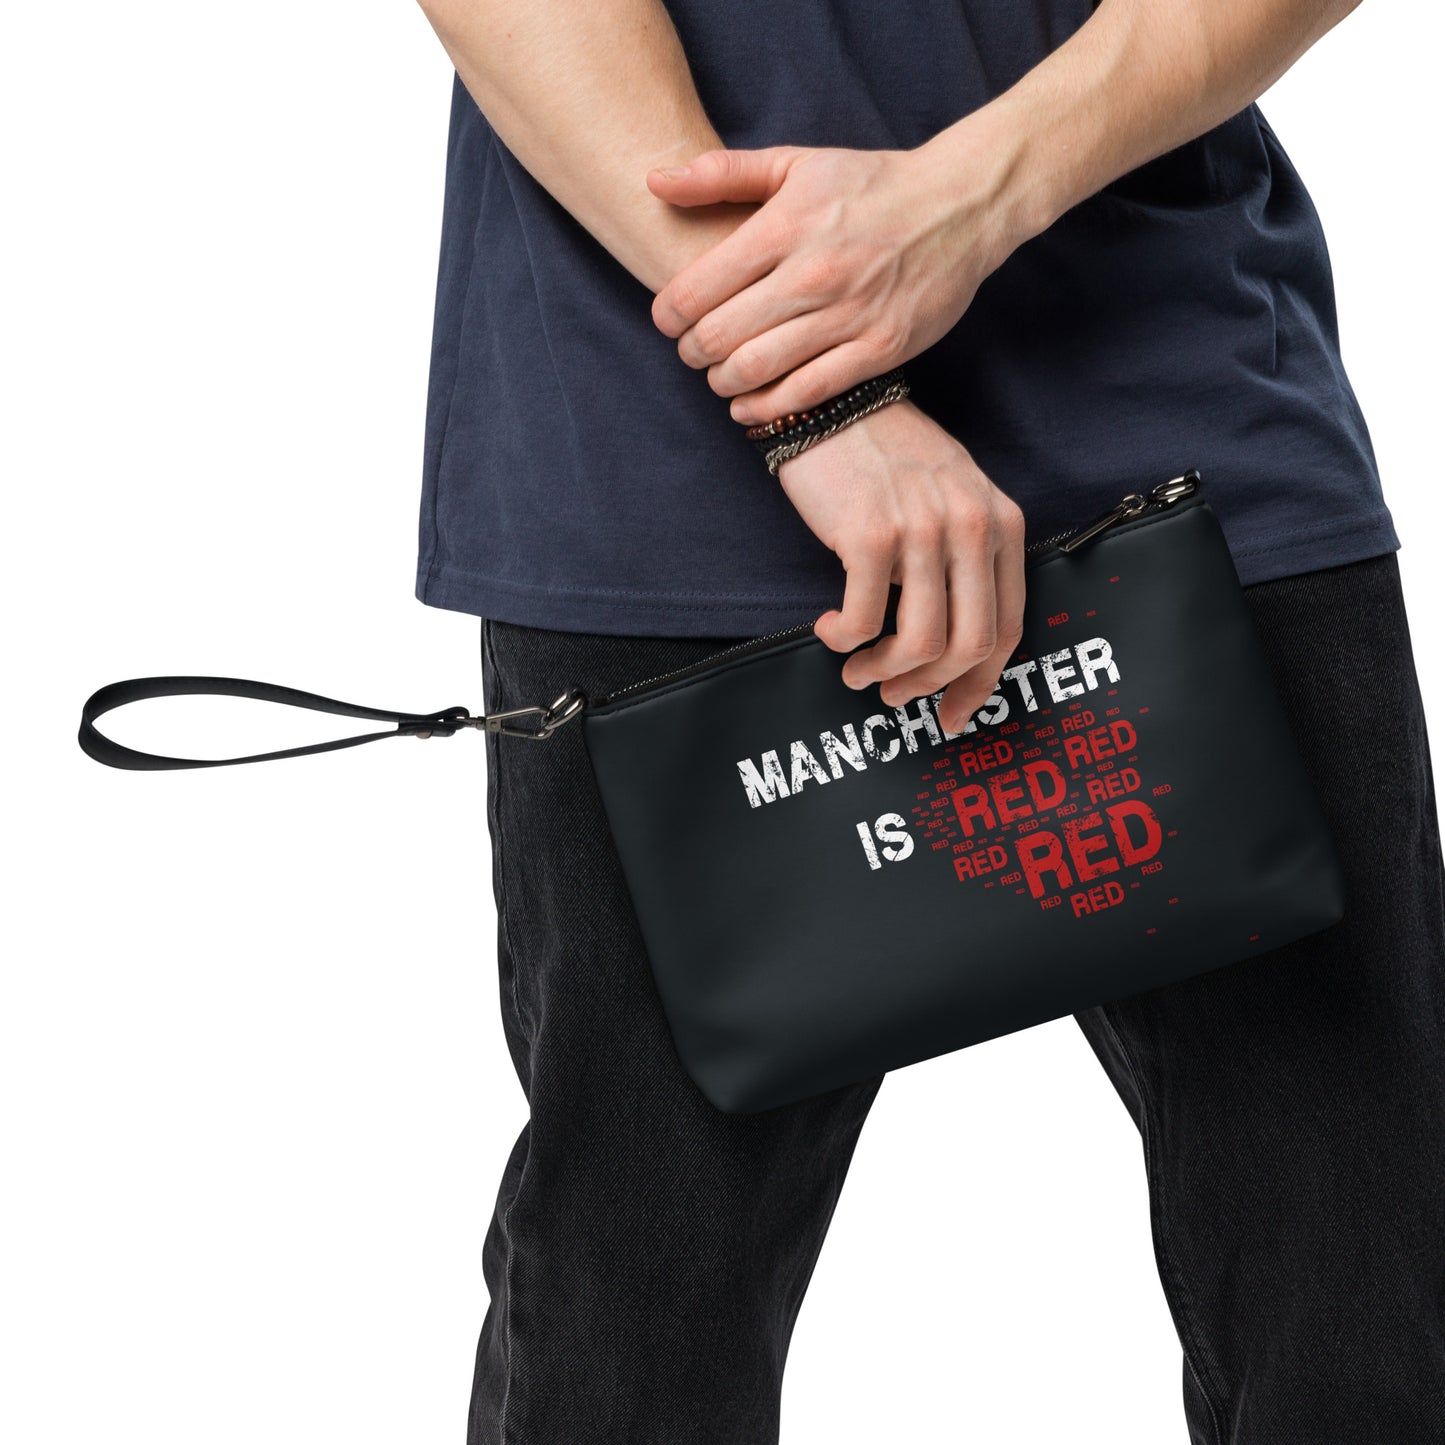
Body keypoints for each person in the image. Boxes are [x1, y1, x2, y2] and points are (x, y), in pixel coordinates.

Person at [411, 0, 1445, 1439]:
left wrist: (967, 198)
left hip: (1167, 385)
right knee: (636, 1322)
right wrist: (811, 400)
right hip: (663, 413)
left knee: (1369, 1303)